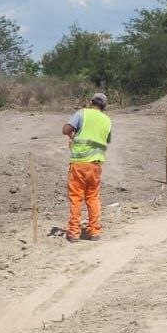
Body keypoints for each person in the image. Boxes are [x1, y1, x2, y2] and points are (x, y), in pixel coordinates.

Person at [62, 92, 113, 242]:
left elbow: (66, 130)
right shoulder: (107, 120)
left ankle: (74, 233)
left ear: (91, 101)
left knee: (76, 198)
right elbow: (107, 139)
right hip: (96, 166)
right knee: (93, 197)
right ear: (104, 106)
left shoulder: (82, 113)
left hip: (79, 164)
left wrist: (73, 135)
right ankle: (94, 232)